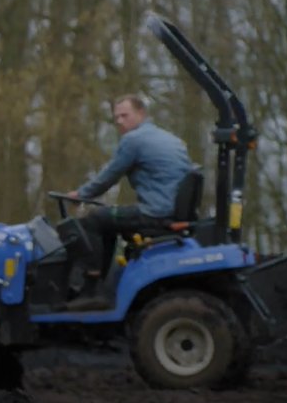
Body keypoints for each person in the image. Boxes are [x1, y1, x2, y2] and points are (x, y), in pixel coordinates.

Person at [64, 94, 194, 309]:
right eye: (116, 118)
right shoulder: (171, 139)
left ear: (141, 114)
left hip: (154, 213)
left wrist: (81, 195)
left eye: (125, 115)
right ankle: (104, 288)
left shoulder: (134, 140)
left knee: (93, 220)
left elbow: (109, 176)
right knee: (107, 221)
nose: (119, 122)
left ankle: (90, 288)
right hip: (170, 210)